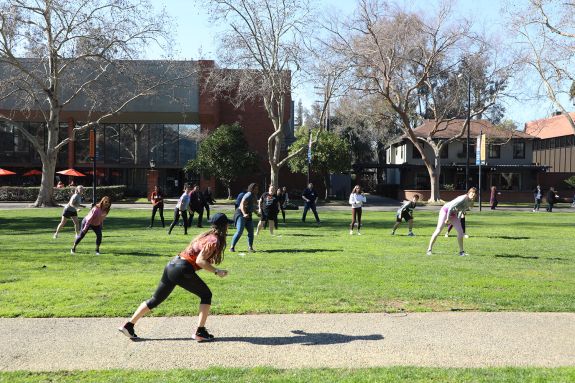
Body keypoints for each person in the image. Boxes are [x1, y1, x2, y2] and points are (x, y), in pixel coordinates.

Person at [118, 213, 231, 342]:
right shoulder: (214, 240)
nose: (228, 226)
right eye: (227, 224)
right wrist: (217, 271)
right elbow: (200, 261)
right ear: (224, 226)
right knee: (206, 295)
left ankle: (129, 325)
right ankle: (200, 331)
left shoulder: (206, 236)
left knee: (155, 300)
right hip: (182, 269)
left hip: (172, 265)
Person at [426, 187, 477, 257]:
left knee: (460, 232)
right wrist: (447, 219)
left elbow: (461, 210)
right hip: (446, 210)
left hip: (453, 214)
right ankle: (429, 250)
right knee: (438, 230)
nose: (473, 195)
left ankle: (461, 252)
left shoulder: (470, 201)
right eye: (472, 193)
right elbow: (450, 207)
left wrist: (458, 220)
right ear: (469, 193)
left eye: (475, 194)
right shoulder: (463, 198)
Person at [231, 183, 259, 252]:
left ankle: (250, 248)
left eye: (257, 189)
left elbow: (252, 207)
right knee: (240, 231)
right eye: (255, 189)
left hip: (248, 214)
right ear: (251, 189)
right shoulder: (248, 195)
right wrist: (244, 214)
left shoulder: (254, 196)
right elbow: (242, 204)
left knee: (251, 232)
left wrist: (257, 213)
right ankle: (232, 247)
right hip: (241, 213)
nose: (256, 190)